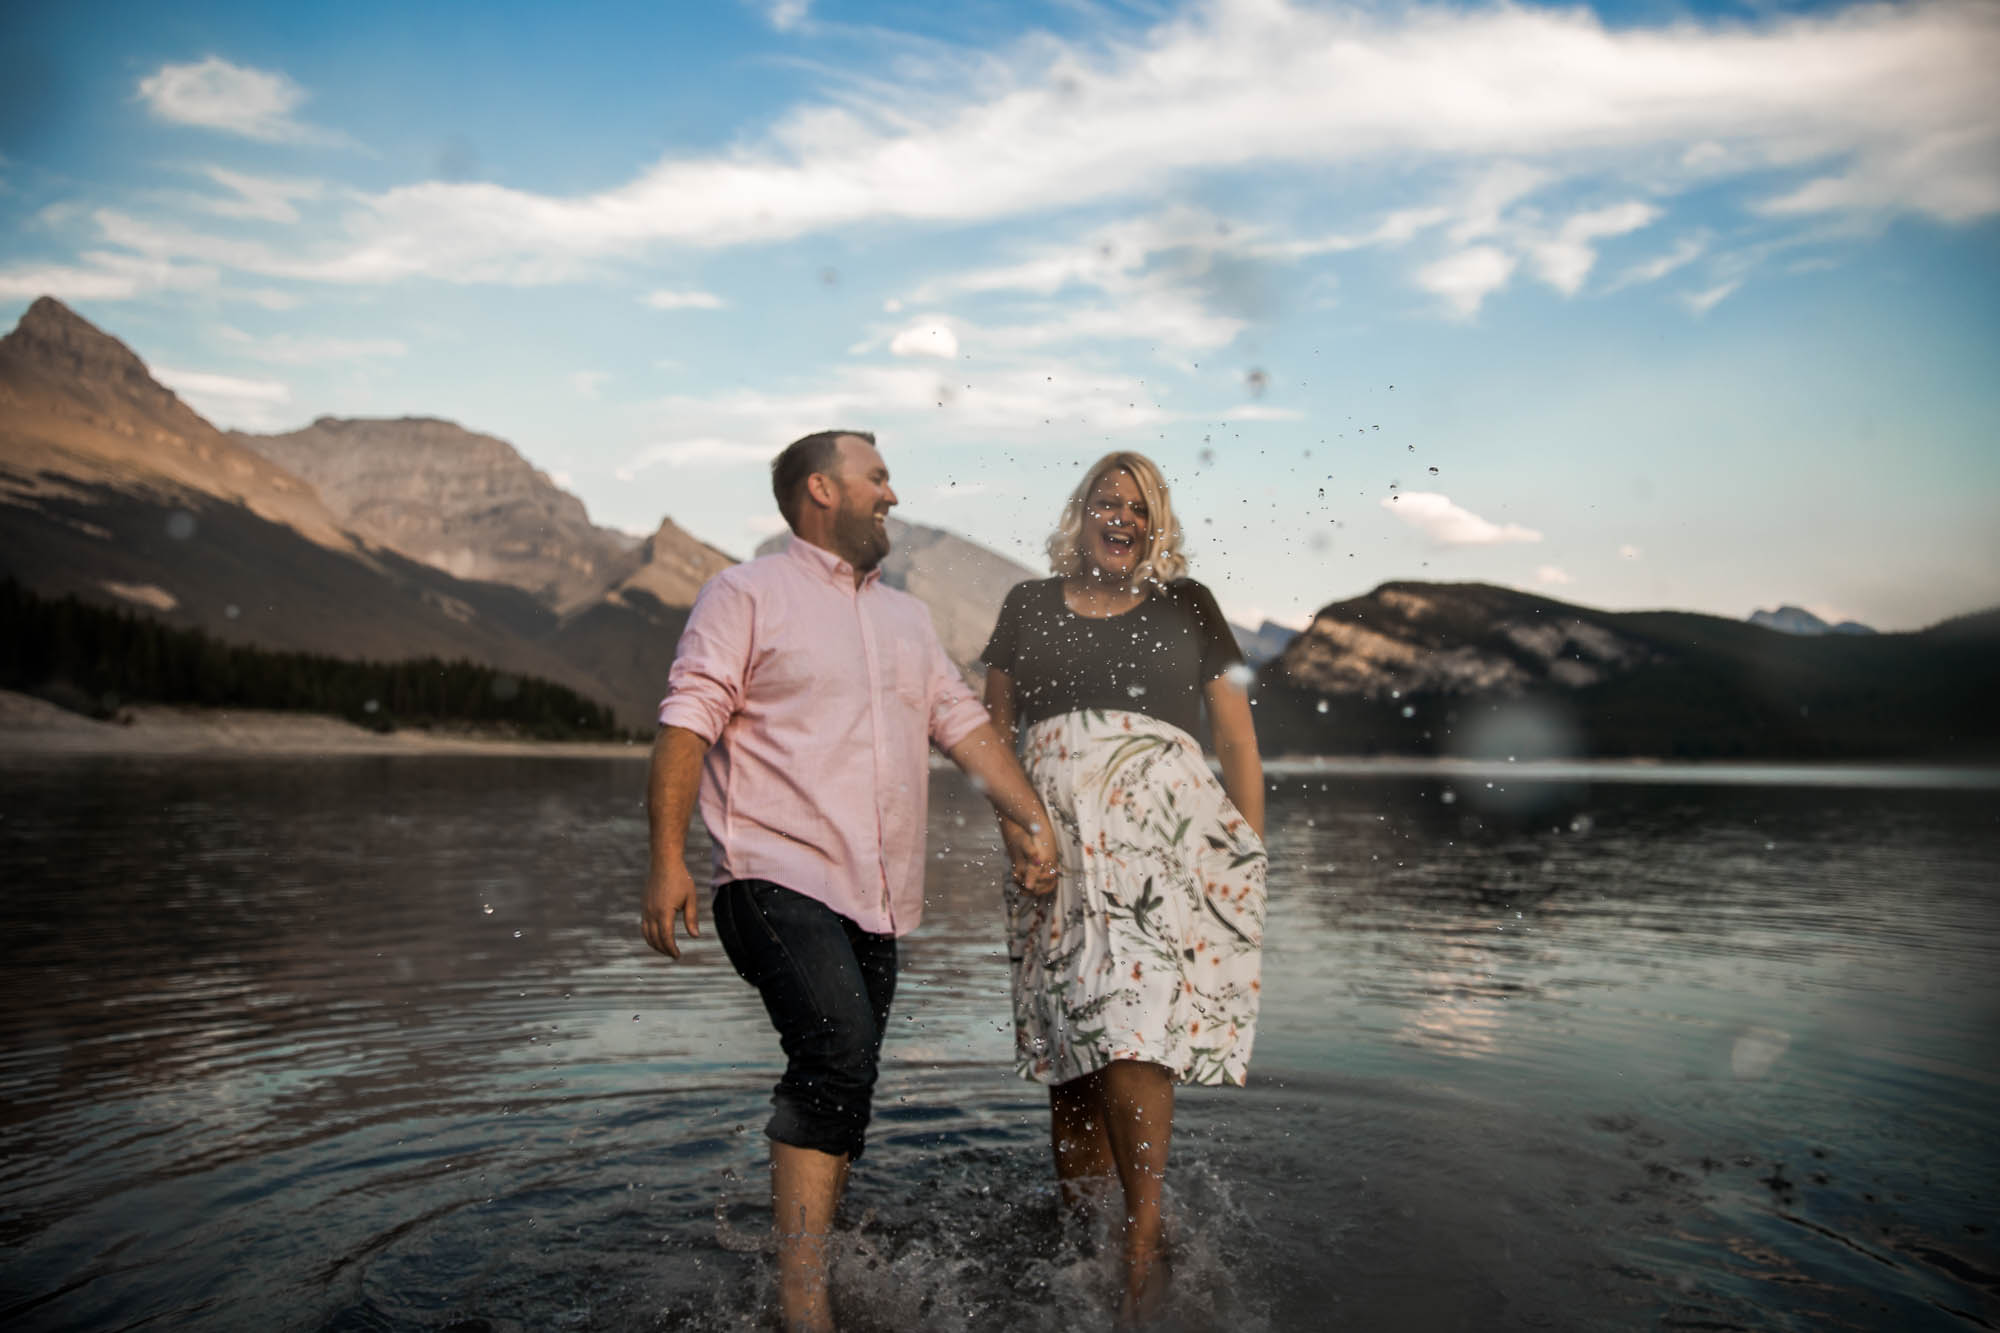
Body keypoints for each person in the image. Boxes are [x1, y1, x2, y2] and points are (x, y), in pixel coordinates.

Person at [641, 430, 1059, 1333]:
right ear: (821, 489)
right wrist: (666, 857)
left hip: (878, 897)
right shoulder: (745, 593)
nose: (893, 495)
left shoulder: (907, 621)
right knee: (836, 1045)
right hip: (768, 873)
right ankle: (804, 1310)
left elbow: (962, 725)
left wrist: (1029, 818)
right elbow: (686, 719)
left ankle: (813, 1261)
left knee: (847, 1073)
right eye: (878, 478)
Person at [982, 450, 1267, 1323]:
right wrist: (1017, 825)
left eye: (1138, 507)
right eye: (1107, 500)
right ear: (1080, 513)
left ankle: (1139, 1244)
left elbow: (1238, 744)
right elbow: (991, 734)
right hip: (1051, 845)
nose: (1121, 517)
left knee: (1133, 1025)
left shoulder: (1190, 605)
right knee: (1071, 1050)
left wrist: (1247, 853)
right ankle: (1084, 1237)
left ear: (1157, 524)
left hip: (1159, 850)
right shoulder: (1027, 605)